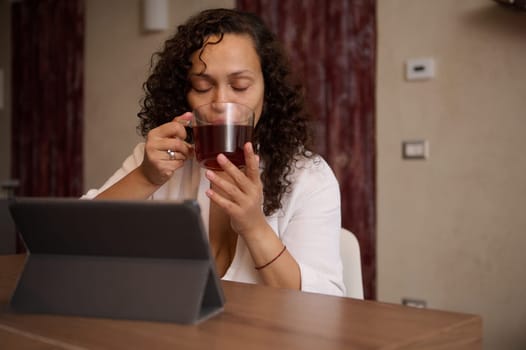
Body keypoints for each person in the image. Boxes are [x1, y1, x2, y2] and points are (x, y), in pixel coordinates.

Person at [83, 8, 345, 296]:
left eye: (240, 85)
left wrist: (254, 226)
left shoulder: (307, 176)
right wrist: (146, 177)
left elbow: (325, 303)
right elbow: (73, 241)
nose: (221, 101)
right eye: (203, 86)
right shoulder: (158, 160)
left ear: (267, 93)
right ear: (184, 93)